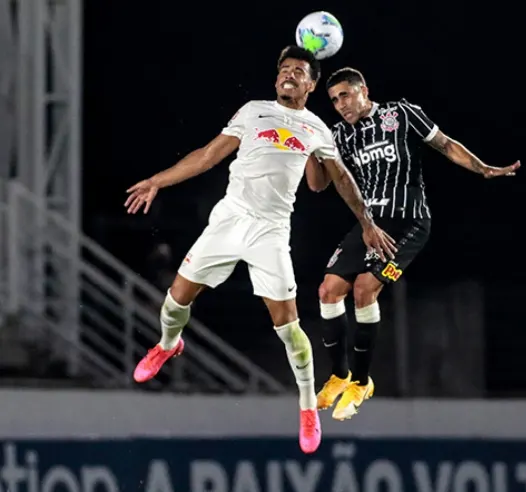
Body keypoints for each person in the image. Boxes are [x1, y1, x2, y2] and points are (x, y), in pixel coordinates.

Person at [123, 46, 396, 454]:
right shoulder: (253, 110)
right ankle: (166, 345)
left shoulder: (317, 128)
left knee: (289, 329)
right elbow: (208, 155)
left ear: (311, 84)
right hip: (230, 219)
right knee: (175, 301)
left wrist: (367, 223)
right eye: (283, 69)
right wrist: (158, 181)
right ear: (275, 79)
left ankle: (307, 410)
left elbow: (336, 181)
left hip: (270, 232)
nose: (288, 75)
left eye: (298, 71)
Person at [303, 67, 521, 421]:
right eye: (333, 100)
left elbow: (446, 145)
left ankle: (360, 382)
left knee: (363, 290)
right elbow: (317, 185)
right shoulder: (340, 135)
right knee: (328, 290)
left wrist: (482, 168)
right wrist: (313, 145)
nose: (340, 105)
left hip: (410, 223)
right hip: (369, 224)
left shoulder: (401, 114)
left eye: (345, 95)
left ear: (364, 91)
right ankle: (340, 375)